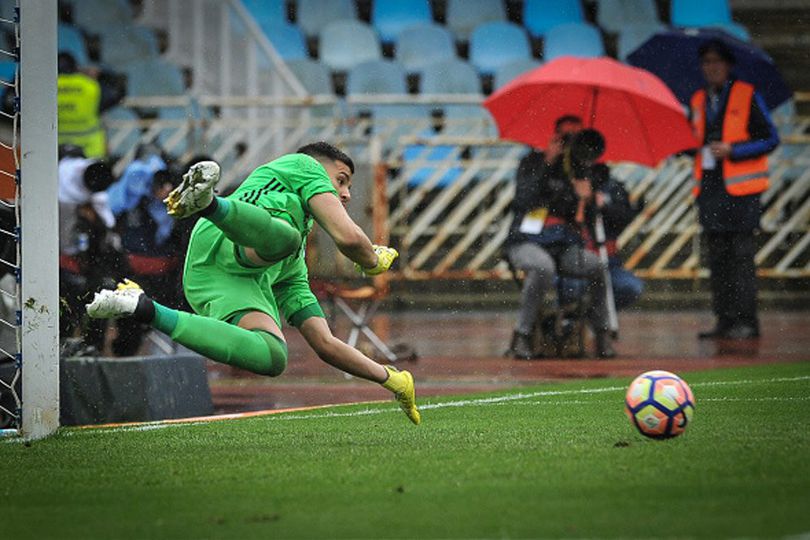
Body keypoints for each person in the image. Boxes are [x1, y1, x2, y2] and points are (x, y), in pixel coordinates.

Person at [86, 142, 421, 424]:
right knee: (286, 238)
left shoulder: (293, 264)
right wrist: (373, 260)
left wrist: (392, 379)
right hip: (218, 234)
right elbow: (349, 239)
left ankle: (143, 308)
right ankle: (211, 202)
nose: (346, 194)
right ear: (319, 169)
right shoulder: (303, 165)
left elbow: (326, 344)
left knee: (274, 357)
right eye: (342, 180)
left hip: (215, 281)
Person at [689, 40, 779, 340]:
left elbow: (770, 138)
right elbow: (694, 142)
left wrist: (734, 150)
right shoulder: (698, 100)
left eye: (716, 61)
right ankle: (724, 320)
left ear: (727, 65)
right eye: (706, 62)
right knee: (717, 259)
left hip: (741, 192)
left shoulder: (747, 94)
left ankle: (747, 321)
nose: (711, 67)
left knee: (740, 257)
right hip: (711, 189)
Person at [504, 116, 615, 360]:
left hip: (562, 244)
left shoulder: (580, 171)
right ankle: (521, 334)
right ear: (555, 135)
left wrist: (585, 198)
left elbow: (587, 220)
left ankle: (602, 333)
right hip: (526, 241)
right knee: (543, 268)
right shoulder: (532, 162)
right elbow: (522, 200)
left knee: (596, 266)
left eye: (575, 137)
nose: (569, 143)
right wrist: (547, 161)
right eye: (565, 137)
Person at [58, 147, 121, 355]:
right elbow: (65, 244)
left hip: (90, 268)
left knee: (104, 290)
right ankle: (62, 344)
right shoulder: (61, 198)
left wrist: (96, 221)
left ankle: (93, 348)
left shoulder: (99, 202)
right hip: (61, 267)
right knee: (66, 295)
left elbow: (110, 242)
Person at [558, 164, 644, 312]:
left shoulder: (611, 187)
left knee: (631, 287)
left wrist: (603, 205)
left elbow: (624, 217)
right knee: (573, 288)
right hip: (573, 265)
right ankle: (570, 319)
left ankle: (596, 316)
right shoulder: (564, 186)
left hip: (607, 264)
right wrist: (578, 200)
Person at [57, 53, 106, 159]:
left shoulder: (48, 86)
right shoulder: (90, 85)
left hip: (55, 148)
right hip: (89, 148)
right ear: (76, 67)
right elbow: (113, 97)